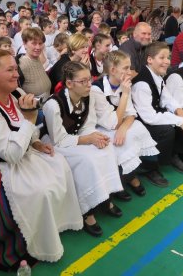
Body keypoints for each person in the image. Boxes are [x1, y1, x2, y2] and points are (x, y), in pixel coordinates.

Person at [0, 49, 82, 269]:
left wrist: (35, 142)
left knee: (59, 165)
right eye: (10, 70)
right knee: (40, 191)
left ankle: (48, 230)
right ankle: (25, 240)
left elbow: (21, 130)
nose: (17, 74)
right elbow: (10, 153)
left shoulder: (14, 94)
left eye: (16, 68)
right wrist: (30, 118)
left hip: (17, 156)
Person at [42, 61, 123, 237]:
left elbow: (88, 124)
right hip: (57, 144)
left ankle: (105, 197)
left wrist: (95, 137)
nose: (89, 84)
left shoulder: (90, 95)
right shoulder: (53, 105)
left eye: (90, 80)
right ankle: (87, 211)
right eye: (83, 81)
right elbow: (59, 139)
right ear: (69, 84)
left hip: (78, 138)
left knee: (107, 149)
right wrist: (88, 139)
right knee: (86, 160)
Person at [91, 50, 158, 200]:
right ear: (113, 70)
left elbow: (131, 113)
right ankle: (119, 182)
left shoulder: (122, 84)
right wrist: (126, 94)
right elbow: (111, 124)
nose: (130, 71)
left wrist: (123, 128)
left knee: (135, 131)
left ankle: (130, 175)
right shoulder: (97, 89)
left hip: (118, 124)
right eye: (126, 68)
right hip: (101, 127)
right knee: (117, 142)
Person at [132, 42, 183, 186]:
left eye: (168, 57)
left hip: (153, 112)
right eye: (162, 57)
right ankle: (150, 167)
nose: (167, 61)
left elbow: (166, 97)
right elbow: (149, 117)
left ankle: (173, 154)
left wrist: (180, 112)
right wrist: (179, 120)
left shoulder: (157, 74)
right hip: (142, 120)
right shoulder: (142, 84)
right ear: (150, 59)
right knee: (166, 130)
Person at [18, 28, 52, 100]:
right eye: (34, 43)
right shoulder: (21, 64)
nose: (38, 47)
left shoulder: (37, 59)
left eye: (40, 43)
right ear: (24, 43)